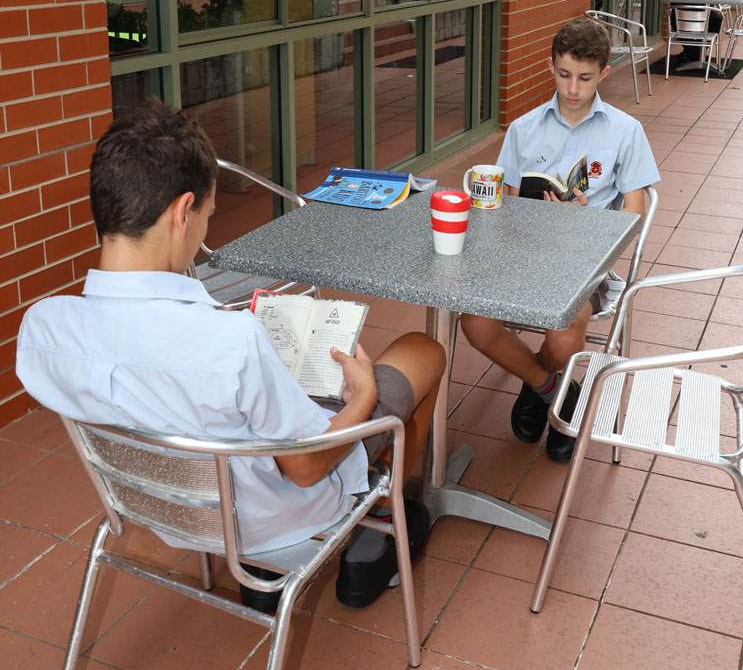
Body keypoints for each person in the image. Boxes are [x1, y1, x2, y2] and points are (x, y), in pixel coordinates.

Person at [15, 100, 444, 611]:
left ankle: (287, 560)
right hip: (272, 515)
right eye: (207, 217)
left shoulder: (42, 329)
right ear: (182, 213)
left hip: (160, 511)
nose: (204, 232)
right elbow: (305, 468)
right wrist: (363, 396)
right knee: (422, 351)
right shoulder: (231, 340)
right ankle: (377, 526)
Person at [461, 18, 659, 462]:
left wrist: (585, 223)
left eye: (585, 78)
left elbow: (634, 211)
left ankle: (539, 387)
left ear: (604, 73)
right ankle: (554, 389)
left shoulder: (625, 130)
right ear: (550, 66)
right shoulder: (524, 128)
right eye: (564, 74)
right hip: (522, 253)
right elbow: (505, 202)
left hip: (584, 260)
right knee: (474, 323)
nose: (572, 88)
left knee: (565, 335)